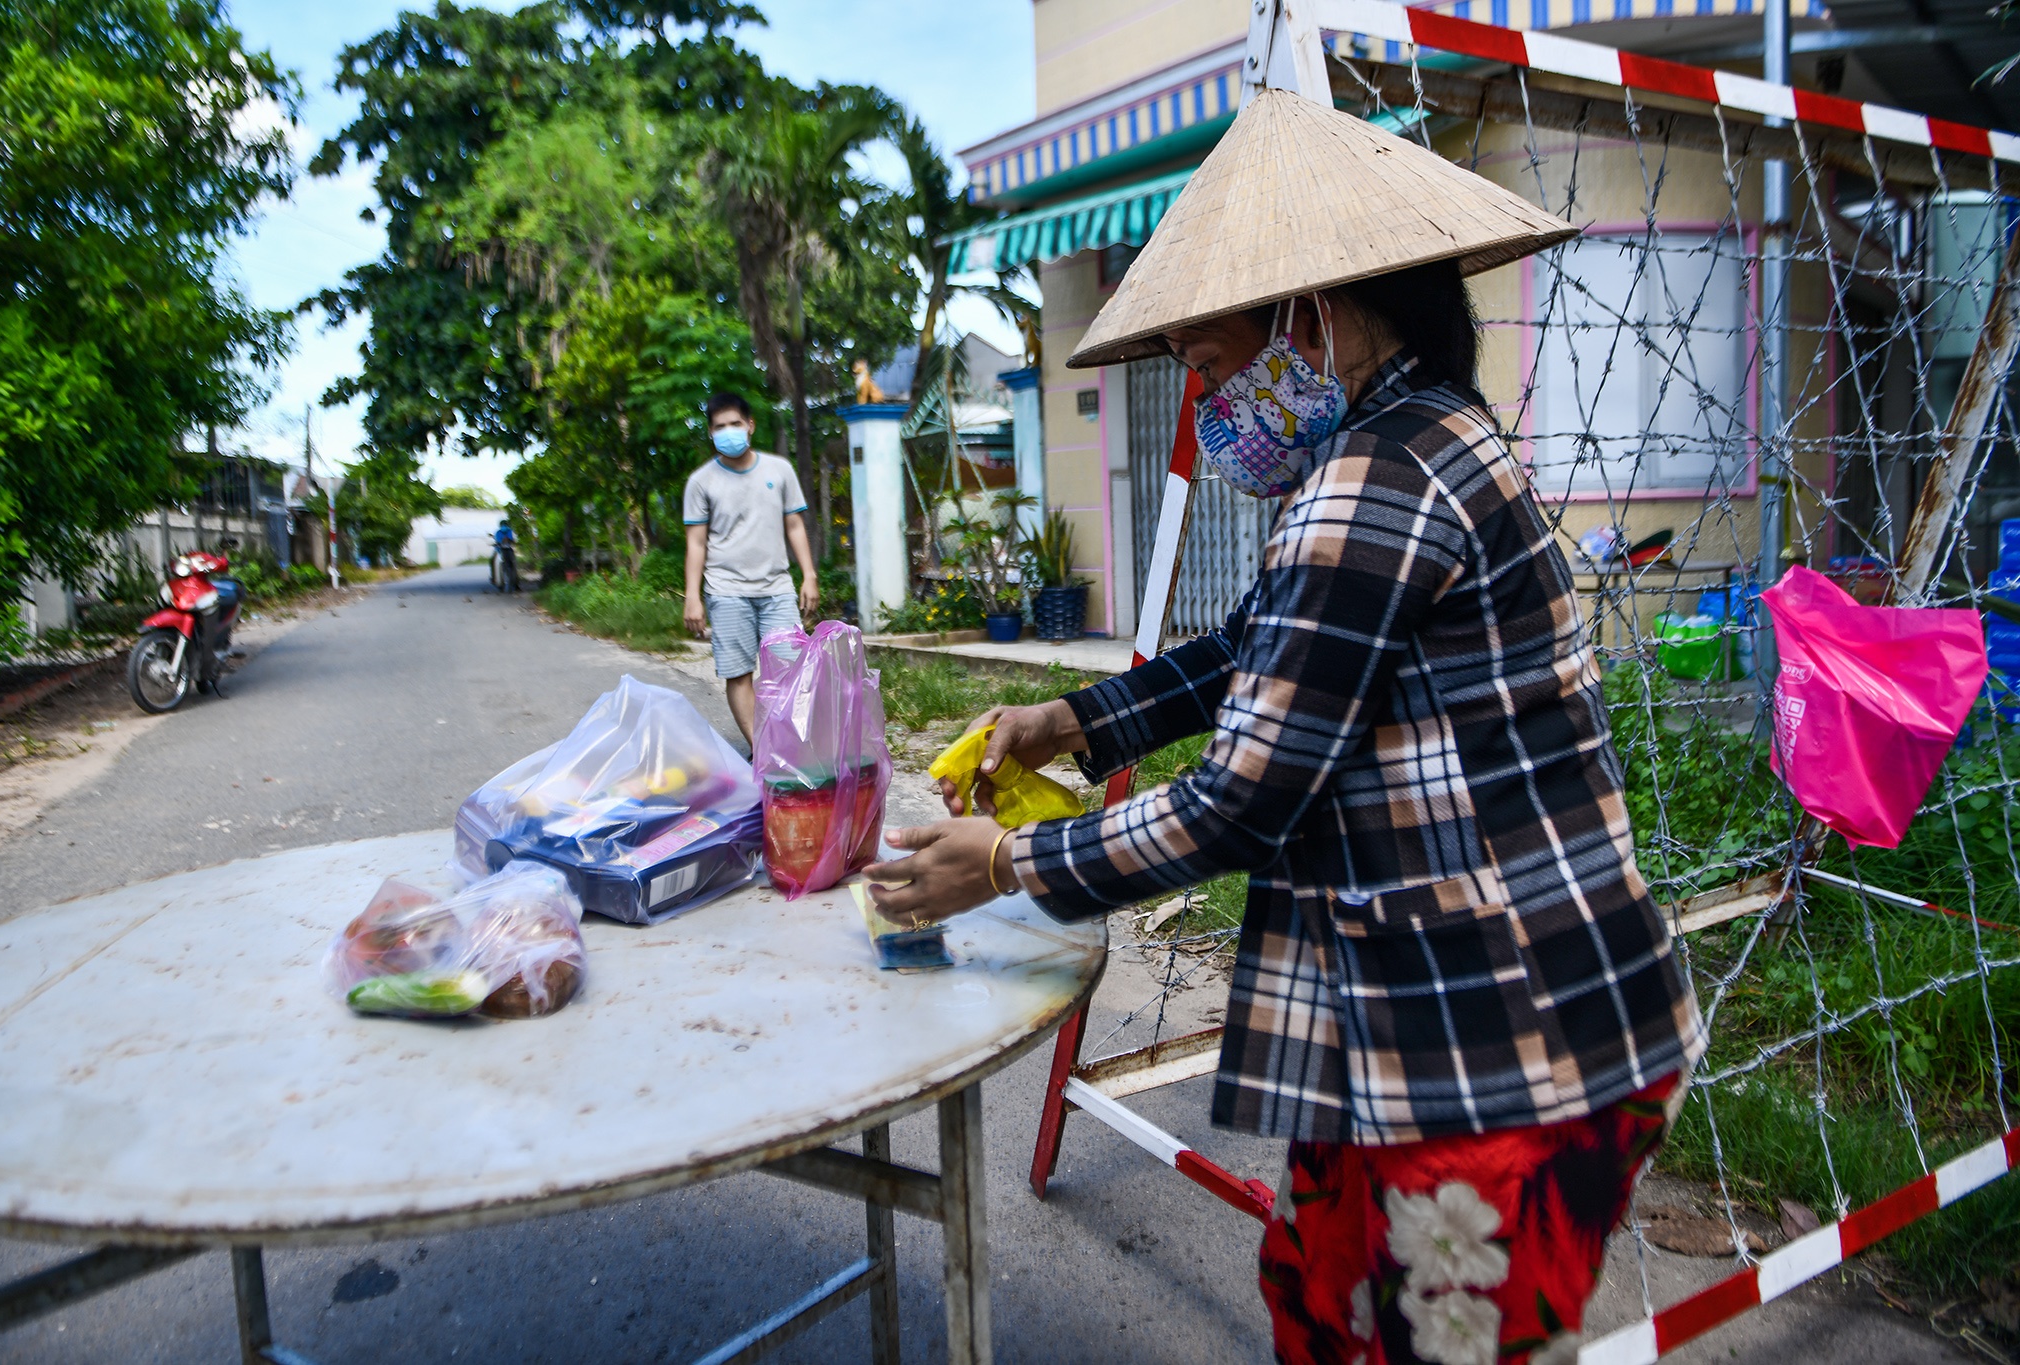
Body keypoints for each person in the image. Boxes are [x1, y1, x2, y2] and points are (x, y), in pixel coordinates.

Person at [867, 90, 1704, 1365]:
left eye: (1206, 364)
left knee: (1425, 1339)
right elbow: (1255, 651)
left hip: (1500, 1047)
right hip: (1441, 1016)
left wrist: (1001, 867)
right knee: (1318, 1302)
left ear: (1308, 322)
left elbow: (1239, 803)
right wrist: (1071, 719)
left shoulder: (1376, 481)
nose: (1202, 406)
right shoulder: (1419, 443)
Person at [682, 393, 819, 747]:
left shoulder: (779, 470)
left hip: (777, 589)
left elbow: (794, 526)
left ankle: (789, 744)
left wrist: (809, 575)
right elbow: (696, 543)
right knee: (738, 674)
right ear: (711, 433)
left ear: (750, 426)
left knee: (791, 671)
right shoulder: (701, 482)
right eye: (719, 427)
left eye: (735, 424)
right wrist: (692, 597)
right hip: (726, 591)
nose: (728, 432)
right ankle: (764, 754)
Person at [492, 519, 518, 593]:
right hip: (500, 550)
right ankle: (495, 579)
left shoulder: (510, 531)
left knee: (514, 563)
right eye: (503, 525)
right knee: (493, 561)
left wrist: (509, 540)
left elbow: (512, 540)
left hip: (509, 550)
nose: (504, 527)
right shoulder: (498, 533)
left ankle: (516, 583)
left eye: (505, 525)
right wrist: (503, 541)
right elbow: (499, 541)